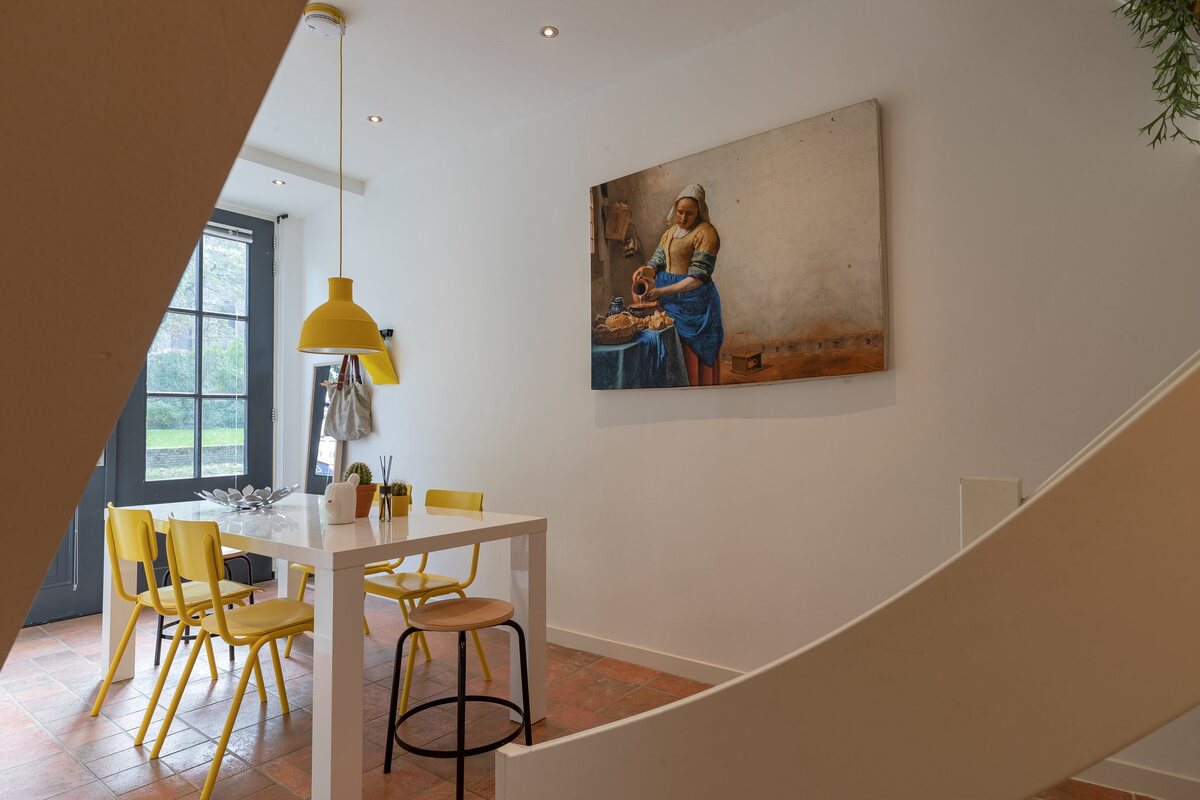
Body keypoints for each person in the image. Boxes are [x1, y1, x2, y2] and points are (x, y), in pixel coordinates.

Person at [633, 184, 724, 385]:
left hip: (695, 301)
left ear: (699, 211)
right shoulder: (671, 232)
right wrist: (645, 270)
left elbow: (697, 279)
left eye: (689, 214)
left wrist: (661, 291)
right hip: (670, 301)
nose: (683, 218)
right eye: (680, 212)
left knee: (691, 350)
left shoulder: (706, 233)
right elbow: (658, 261)